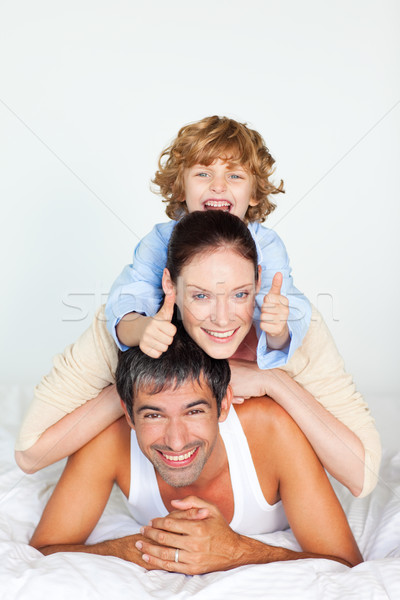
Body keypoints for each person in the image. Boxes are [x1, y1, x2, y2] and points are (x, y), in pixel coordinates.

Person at [15, 120, 380, 497]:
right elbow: (29, 454)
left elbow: (364, 474)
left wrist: (276, 365)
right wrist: (134, 385)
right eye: (204, 173)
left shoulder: (272, 262)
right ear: (169, 282)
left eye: (234, 175)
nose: (218, 186)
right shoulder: (154, 253)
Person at [29, 325, 363, 573]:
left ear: (224, 404)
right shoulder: (109, 439)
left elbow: (345, 563)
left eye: (194, 411)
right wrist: (132, 549)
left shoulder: (274, 430)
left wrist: (236, 551)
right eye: (153, 415)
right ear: (128, 412)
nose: (175, 441)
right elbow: (44, 549)